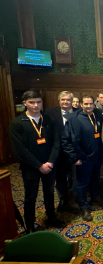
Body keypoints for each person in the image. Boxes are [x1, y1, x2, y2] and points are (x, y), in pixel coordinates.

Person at [10, 90, 65, 234]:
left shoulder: (48, 120)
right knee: (30, 196)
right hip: (31, 167)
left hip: (49, 164)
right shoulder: (17, 123)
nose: (35, 105)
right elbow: (20, 150)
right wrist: (39, 165)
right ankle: (29, 225)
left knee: (49, 192)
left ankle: (51, 217)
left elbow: (56, 143)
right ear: (25, 103)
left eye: (38, 102)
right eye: (31, 102)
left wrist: (51, 162)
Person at [61, 95, 103, 222]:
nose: (89, 106)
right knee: (82, 184)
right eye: (86, 104)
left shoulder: (97, 114)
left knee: (95, 179)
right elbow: (66, 141)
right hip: (83, 158)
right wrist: (74, 158)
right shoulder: (74, 119)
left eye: (91, 104)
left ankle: (95, 197)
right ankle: (83, 207)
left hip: (97, 156)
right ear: (81, 104)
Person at [44, 91, 78, 212]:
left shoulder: (78, 112)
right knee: (61, 178)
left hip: (75, 152)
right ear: (59, 101)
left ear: (72, 101)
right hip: (58, 153)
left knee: (75, 177)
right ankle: (64, 201)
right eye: (63, 99)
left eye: (68, 100)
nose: (65, 102)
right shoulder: (49, 113)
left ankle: (76, 197)